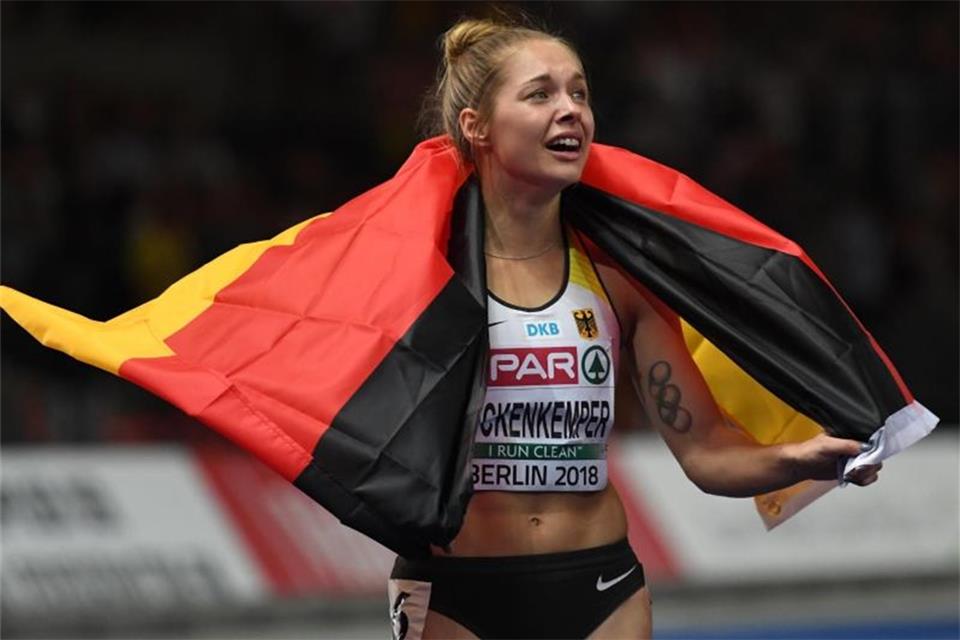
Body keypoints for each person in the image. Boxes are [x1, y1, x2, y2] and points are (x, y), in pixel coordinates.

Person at [386, 18, 883, 640]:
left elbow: (705, 453)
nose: (569, 110)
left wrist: (805, 458)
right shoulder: (417, 279)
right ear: (476, 127)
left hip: (599, 587)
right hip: (457, 593)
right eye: (540, 94)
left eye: (579, 93)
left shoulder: (618, 279)